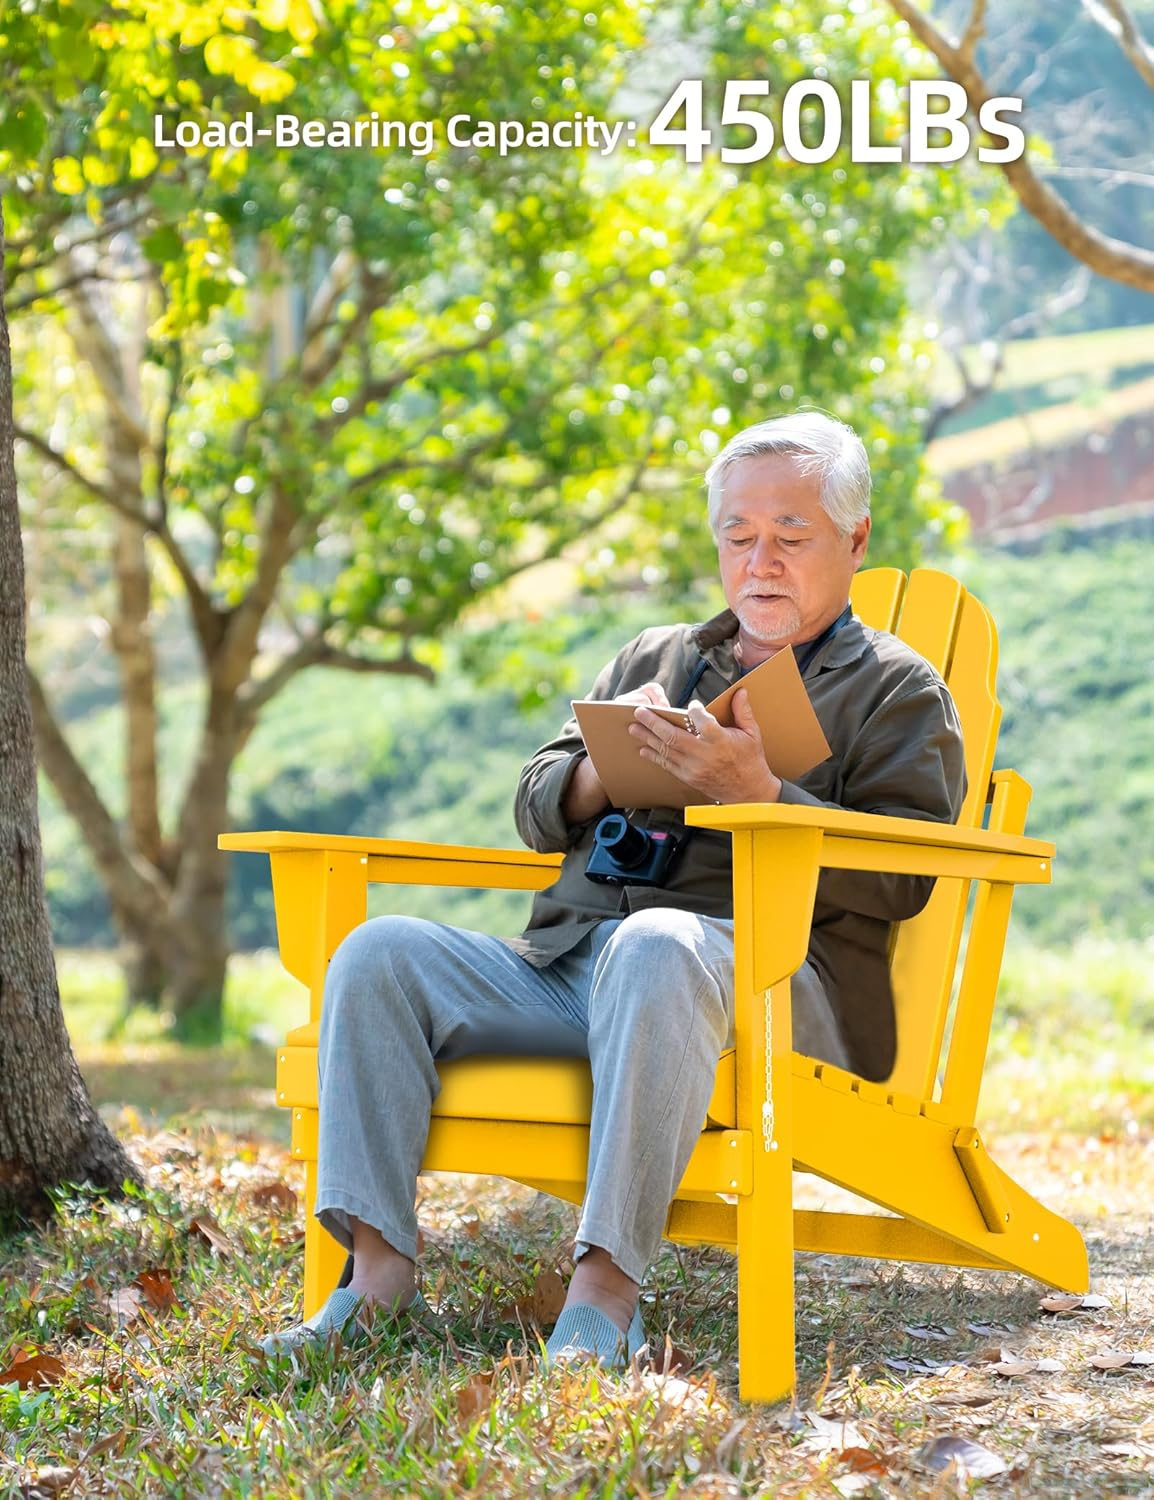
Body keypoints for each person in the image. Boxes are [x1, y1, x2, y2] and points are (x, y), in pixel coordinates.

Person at [260, 409, 967, 1370]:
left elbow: (908, 874)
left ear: (854, 541)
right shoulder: (655, 659)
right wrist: (601, 771)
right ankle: (376, 1278)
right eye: (739, 536)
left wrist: (762, 796)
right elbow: (534, 802)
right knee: (380, 954)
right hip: (573, 963)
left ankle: (603, 1296)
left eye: (791, 537)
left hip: (766, 986)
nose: (760, 562)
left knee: (658, 942)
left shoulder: (897, 690)